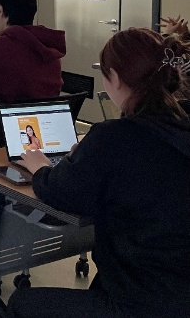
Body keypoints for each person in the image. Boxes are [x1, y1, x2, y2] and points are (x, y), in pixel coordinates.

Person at [10, 28, 190, 318]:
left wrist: (40, 166)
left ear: (114, 77)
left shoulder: (112, 138)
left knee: (21, 303)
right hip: (174, 288)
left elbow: (58, 191)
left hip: (143, 302)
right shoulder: (180, 123)